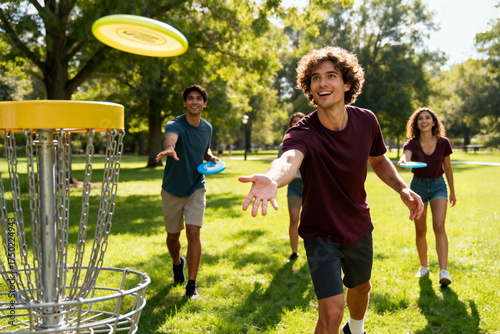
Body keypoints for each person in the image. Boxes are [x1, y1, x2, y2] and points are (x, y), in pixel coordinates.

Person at [238, 46, 424, 334]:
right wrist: (273, 179)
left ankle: (357, 330)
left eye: (331, 76)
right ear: (309, 88)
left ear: (347, 83)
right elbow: (289, 160)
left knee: (361, 288)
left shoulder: (366, 120)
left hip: (358, 225)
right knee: (332, 311)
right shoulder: (302, 133)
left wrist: (401, 188)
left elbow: (377, 159)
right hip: (320, 233)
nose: (322, 83)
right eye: (315, 78)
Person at [155, 84, 219, 299]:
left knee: (193, 231)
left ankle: (191, 285)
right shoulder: (175, 123)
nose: (194, 102)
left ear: (204, 103)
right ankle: (177, 263)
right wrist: (170, 148)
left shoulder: (207, 127)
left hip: (195, 186)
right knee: (173, 237)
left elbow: (205, 148)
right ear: (184, 103)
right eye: (190, 98)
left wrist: (210, 157)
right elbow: (170, 137)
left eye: (198, 98)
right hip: (172, 188)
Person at [397, 107, 456, 287]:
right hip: (418, 187)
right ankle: (424, 266)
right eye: (420, 118)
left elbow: (448, 168)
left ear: (433, 122)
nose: (424, 121)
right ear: (416, 123)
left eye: (427, 118)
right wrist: (403, 162)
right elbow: (405, 158)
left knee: (439, 226)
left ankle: (443, 272)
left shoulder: (443, 142)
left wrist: (452, 191)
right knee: (421, 231)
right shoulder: (411, 144)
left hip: (439, 186)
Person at [278, 112, 306, 262]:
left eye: (299, 121)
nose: (296, 124)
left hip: (311, 185)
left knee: (312, 220)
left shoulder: (312, 141)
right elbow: (279, 165)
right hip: (294, 186)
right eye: (294, 122)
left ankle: (313, 250)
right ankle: (294, 252)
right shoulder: (284, 145)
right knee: (294, 218)